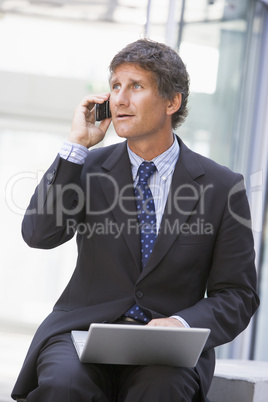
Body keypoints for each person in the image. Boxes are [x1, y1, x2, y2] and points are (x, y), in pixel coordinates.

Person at [12, 39, 259, 402]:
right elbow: (39, 233)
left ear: (171, 102)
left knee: (161, 390)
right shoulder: (86, 167)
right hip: (82, 331)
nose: (119, 99)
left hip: (167, 348)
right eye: (115, 87)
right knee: (65, 385)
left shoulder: (222, 187)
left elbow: (238, 293)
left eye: (135, 87)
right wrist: (76, 147)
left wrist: (181, 324)